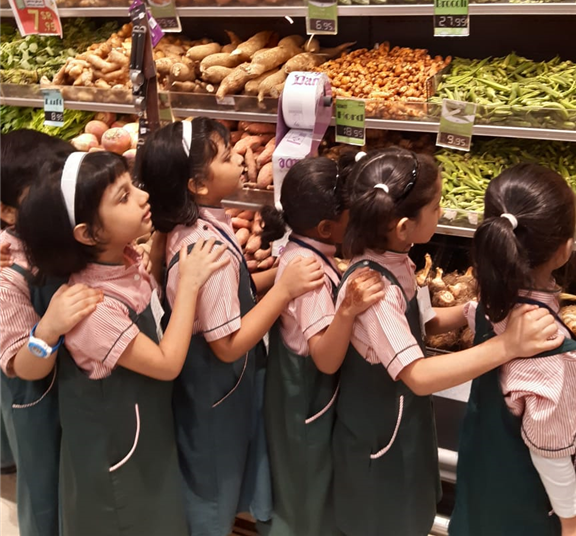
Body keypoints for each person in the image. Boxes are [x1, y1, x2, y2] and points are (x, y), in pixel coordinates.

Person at [332, 147, 564, 536]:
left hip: (400, 427)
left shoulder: (397, 259)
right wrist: (506, 346)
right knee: (383, 522)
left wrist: (476, 311)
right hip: (378, 440)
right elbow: (419, 376)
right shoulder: (374, 291)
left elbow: (421, 321)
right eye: (437, 206)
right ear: (403, 227)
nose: (442, 212)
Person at [17, 149, 228, 536]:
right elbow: (167, 363)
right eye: (124, 196)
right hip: (116, 461)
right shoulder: (93, 308)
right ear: (89, 234)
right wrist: (190, 283)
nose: (143, 196)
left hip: (145, 440)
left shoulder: (126, 260)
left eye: (133, 185)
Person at [139, 119, 325, 536]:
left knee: (214, 471)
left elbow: (231, 291)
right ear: (197, 185)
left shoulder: (195, 226)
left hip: (211, 384)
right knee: (213, 486)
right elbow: (227, 345)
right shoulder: (206, 248)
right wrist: (284, 291)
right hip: (215, 384)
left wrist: (279, 274)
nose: (240, 160)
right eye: (226, 157)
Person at [260, 156, 385, 536]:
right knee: (304, 497)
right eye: (351, 215)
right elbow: (326, 359)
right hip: (305, 401)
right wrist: (347, 311)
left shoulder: (306, 253)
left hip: (306, 400)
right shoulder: (309, 274)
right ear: (327, 228)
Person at [450, 164, 576, 536]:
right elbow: (551, 456)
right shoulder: (550, 346)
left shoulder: (490, 303)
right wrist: (570, 524)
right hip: (525, 508)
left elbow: (470, 314)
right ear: (564, 249)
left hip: (480, 479)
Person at [0, 130, 101, 536]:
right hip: (34, 394)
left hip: (76, 394)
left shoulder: (64, 238)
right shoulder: (10, 274)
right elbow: (24, 366)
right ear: (8, 212)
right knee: (43, 483)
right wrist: (49, 329)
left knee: (75, 482)